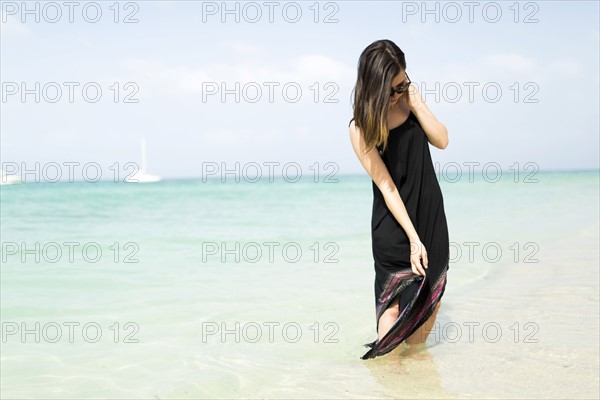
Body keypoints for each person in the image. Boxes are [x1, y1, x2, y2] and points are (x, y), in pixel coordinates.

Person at [348, 39, 451, 359]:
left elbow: (443, 140)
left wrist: (417, 103)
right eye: (391, 90)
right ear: (375, 87)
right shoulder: (361, 127)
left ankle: (413, 382)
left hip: (430, 214)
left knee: (427, 302)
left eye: (402, 84)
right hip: (394, 225)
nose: (398, 94)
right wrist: (412, 239)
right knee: (391, 309)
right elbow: (387, 186)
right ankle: (389, 378)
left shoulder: (410, 102)